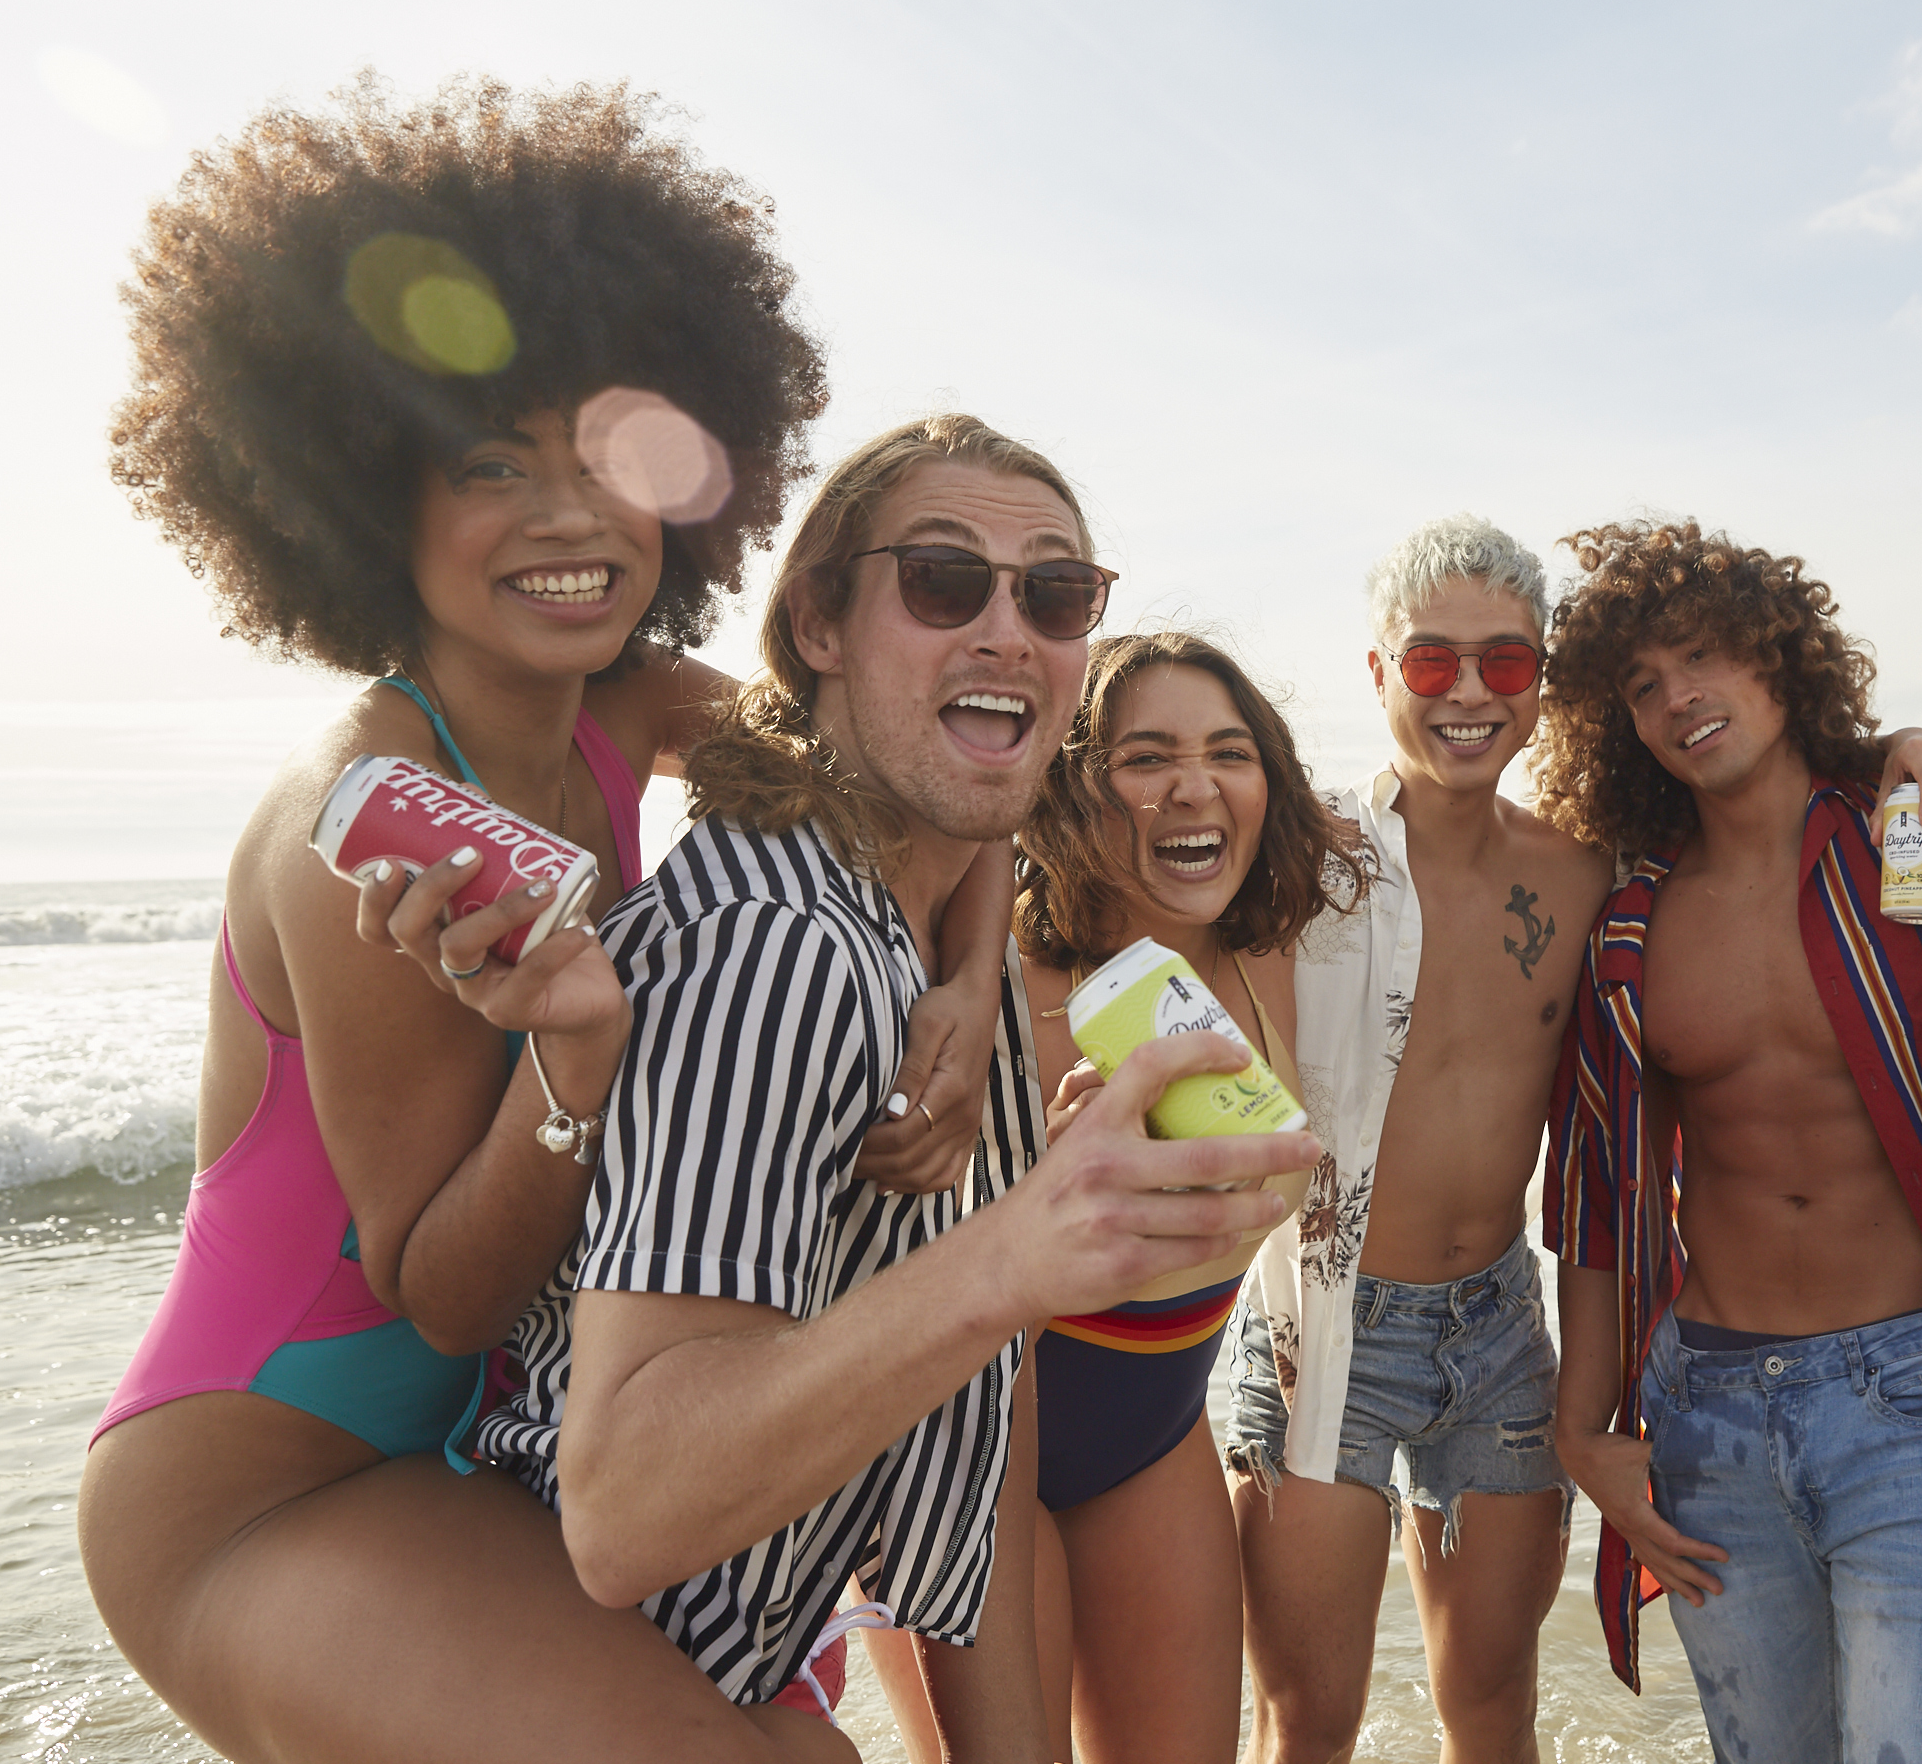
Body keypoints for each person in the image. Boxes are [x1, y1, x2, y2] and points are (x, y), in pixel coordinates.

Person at [69, 79, 965, 1763]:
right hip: (257, 1491)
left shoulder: (625, 710)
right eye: (492, 463)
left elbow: (899, 776)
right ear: (355, 501)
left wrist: (970, 991)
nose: (571, 516)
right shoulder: (365, 817)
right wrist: (582, 1056)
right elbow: (440, 1295)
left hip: (487, 1457)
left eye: (608, 460)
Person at [469, 415, 1314, 1756]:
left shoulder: (913, 943)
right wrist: (1012, 1259)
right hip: (583, 1675)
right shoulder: (784, 947)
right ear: (817, 624)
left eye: (1051, 595)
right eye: (940, 582)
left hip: (745, 1666)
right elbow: (620, 1513)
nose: (1005, 630)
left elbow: (963, 1422)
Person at [1535, 519, 1922, 1764]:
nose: (1677, 699)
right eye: (1642, 687)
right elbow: (1599, 1192)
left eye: (1702, 657)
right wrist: (1581, 1433)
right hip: (1706, 1410)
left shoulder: (1920, 834)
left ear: (1778, 658)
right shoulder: (1633, 923)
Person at [872, 630, 1363, 1762]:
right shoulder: (972, 981)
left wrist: (1870, 757)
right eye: (1145, 757)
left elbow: (1449, 804)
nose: (1195, 784)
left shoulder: (1267, 953)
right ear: (1068, 783)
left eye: (1229, 751)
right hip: (961, 1453)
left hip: (1152, 1438)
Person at [1225, 516, 1606, 1764]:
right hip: (1320, 1325)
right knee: (1311, 1722)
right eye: (1434, 662)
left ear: (1541, 683)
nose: (1471, 695)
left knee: (1494, 1713)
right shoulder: (1298, 862)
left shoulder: (1578, 874)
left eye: (1507, 664)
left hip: (1500, 1328)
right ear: (1381, 671)